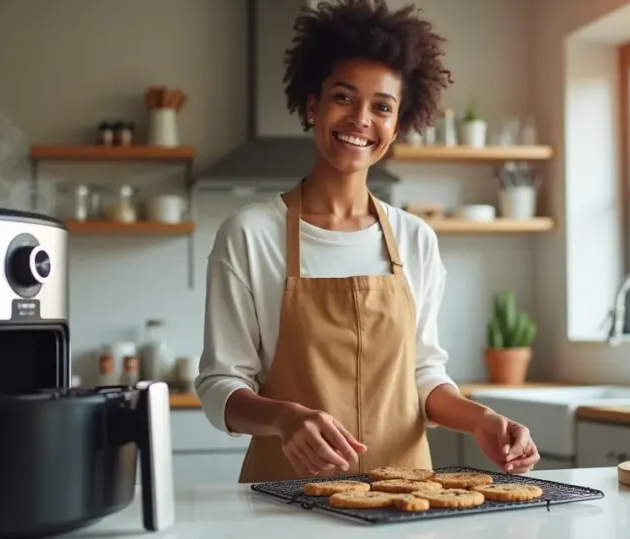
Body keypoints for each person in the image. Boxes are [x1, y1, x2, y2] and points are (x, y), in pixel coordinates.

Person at [195, 0, 540, 483]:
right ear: (312, 105)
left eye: (382, 107)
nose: (361, 118)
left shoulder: (415, 239)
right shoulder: (250, 234)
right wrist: (283, 418)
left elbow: (422, 376)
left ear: (396, 126)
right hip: (284, 496)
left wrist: (480, 419)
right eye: (343, 97)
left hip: (405, 494)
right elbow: (219, 388)